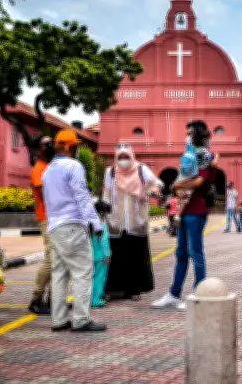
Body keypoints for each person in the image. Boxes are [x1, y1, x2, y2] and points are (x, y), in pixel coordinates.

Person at [41, 130, 106, 332]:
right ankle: (81, 319)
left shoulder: (48, 170)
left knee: (59, 274)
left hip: (55, 228)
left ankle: (59, 320)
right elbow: (82, 197)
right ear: (69, 147)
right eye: (76, 146)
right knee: (83, 272)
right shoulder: (74, 166)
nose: (77, 149)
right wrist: (96, 224)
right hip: (72, 226)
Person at [152, 120, 219, 310]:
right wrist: (176, 187)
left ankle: (200, 293)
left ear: (198, 134)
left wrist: (176, 186)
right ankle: (174, 294)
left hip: (196, 211)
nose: (187, 136)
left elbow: (199, 182)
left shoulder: (205, 155)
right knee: (181, 253)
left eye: (190, 132)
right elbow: (184, 176)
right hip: (184, 210)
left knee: (196, 252)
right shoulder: (190, 154)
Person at [103, 144, 163, 300]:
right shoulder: (110, 172)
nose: (123, 160)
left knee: (135, 257)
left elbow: (157, 184)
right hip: (115, 222)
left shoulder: (141, 169)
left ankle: (135, 289)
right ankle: (113, 289)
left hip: (136, 221)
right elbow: (106, 194)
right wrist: (103, 214)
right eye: (120, 157)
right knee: (116, 257)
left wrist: (153, 191)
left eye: (126, 157)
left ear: (132, 156)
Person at [28, 136, 55, 315]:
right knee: (51, 257)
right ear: (38, 150)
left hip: (58, 218)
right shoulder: (39, 170)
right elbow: (46, 195)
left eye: (51, 143)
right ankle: (36, 299)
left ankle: (54, 299)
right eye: (46, 144)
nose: (50, 146)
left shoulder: (51, 167)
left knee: (60, 259)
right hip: (47, 217)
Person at [91, 200, 112, 308]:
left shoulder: (90, 224)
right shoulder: (101, 225)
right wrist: (107, 255)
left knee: (92, 278)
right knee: (100, 278)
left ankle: (91, 298)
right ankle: (96, 300)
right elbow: (104, 241)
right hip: (101, 257)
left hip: (92, 255)